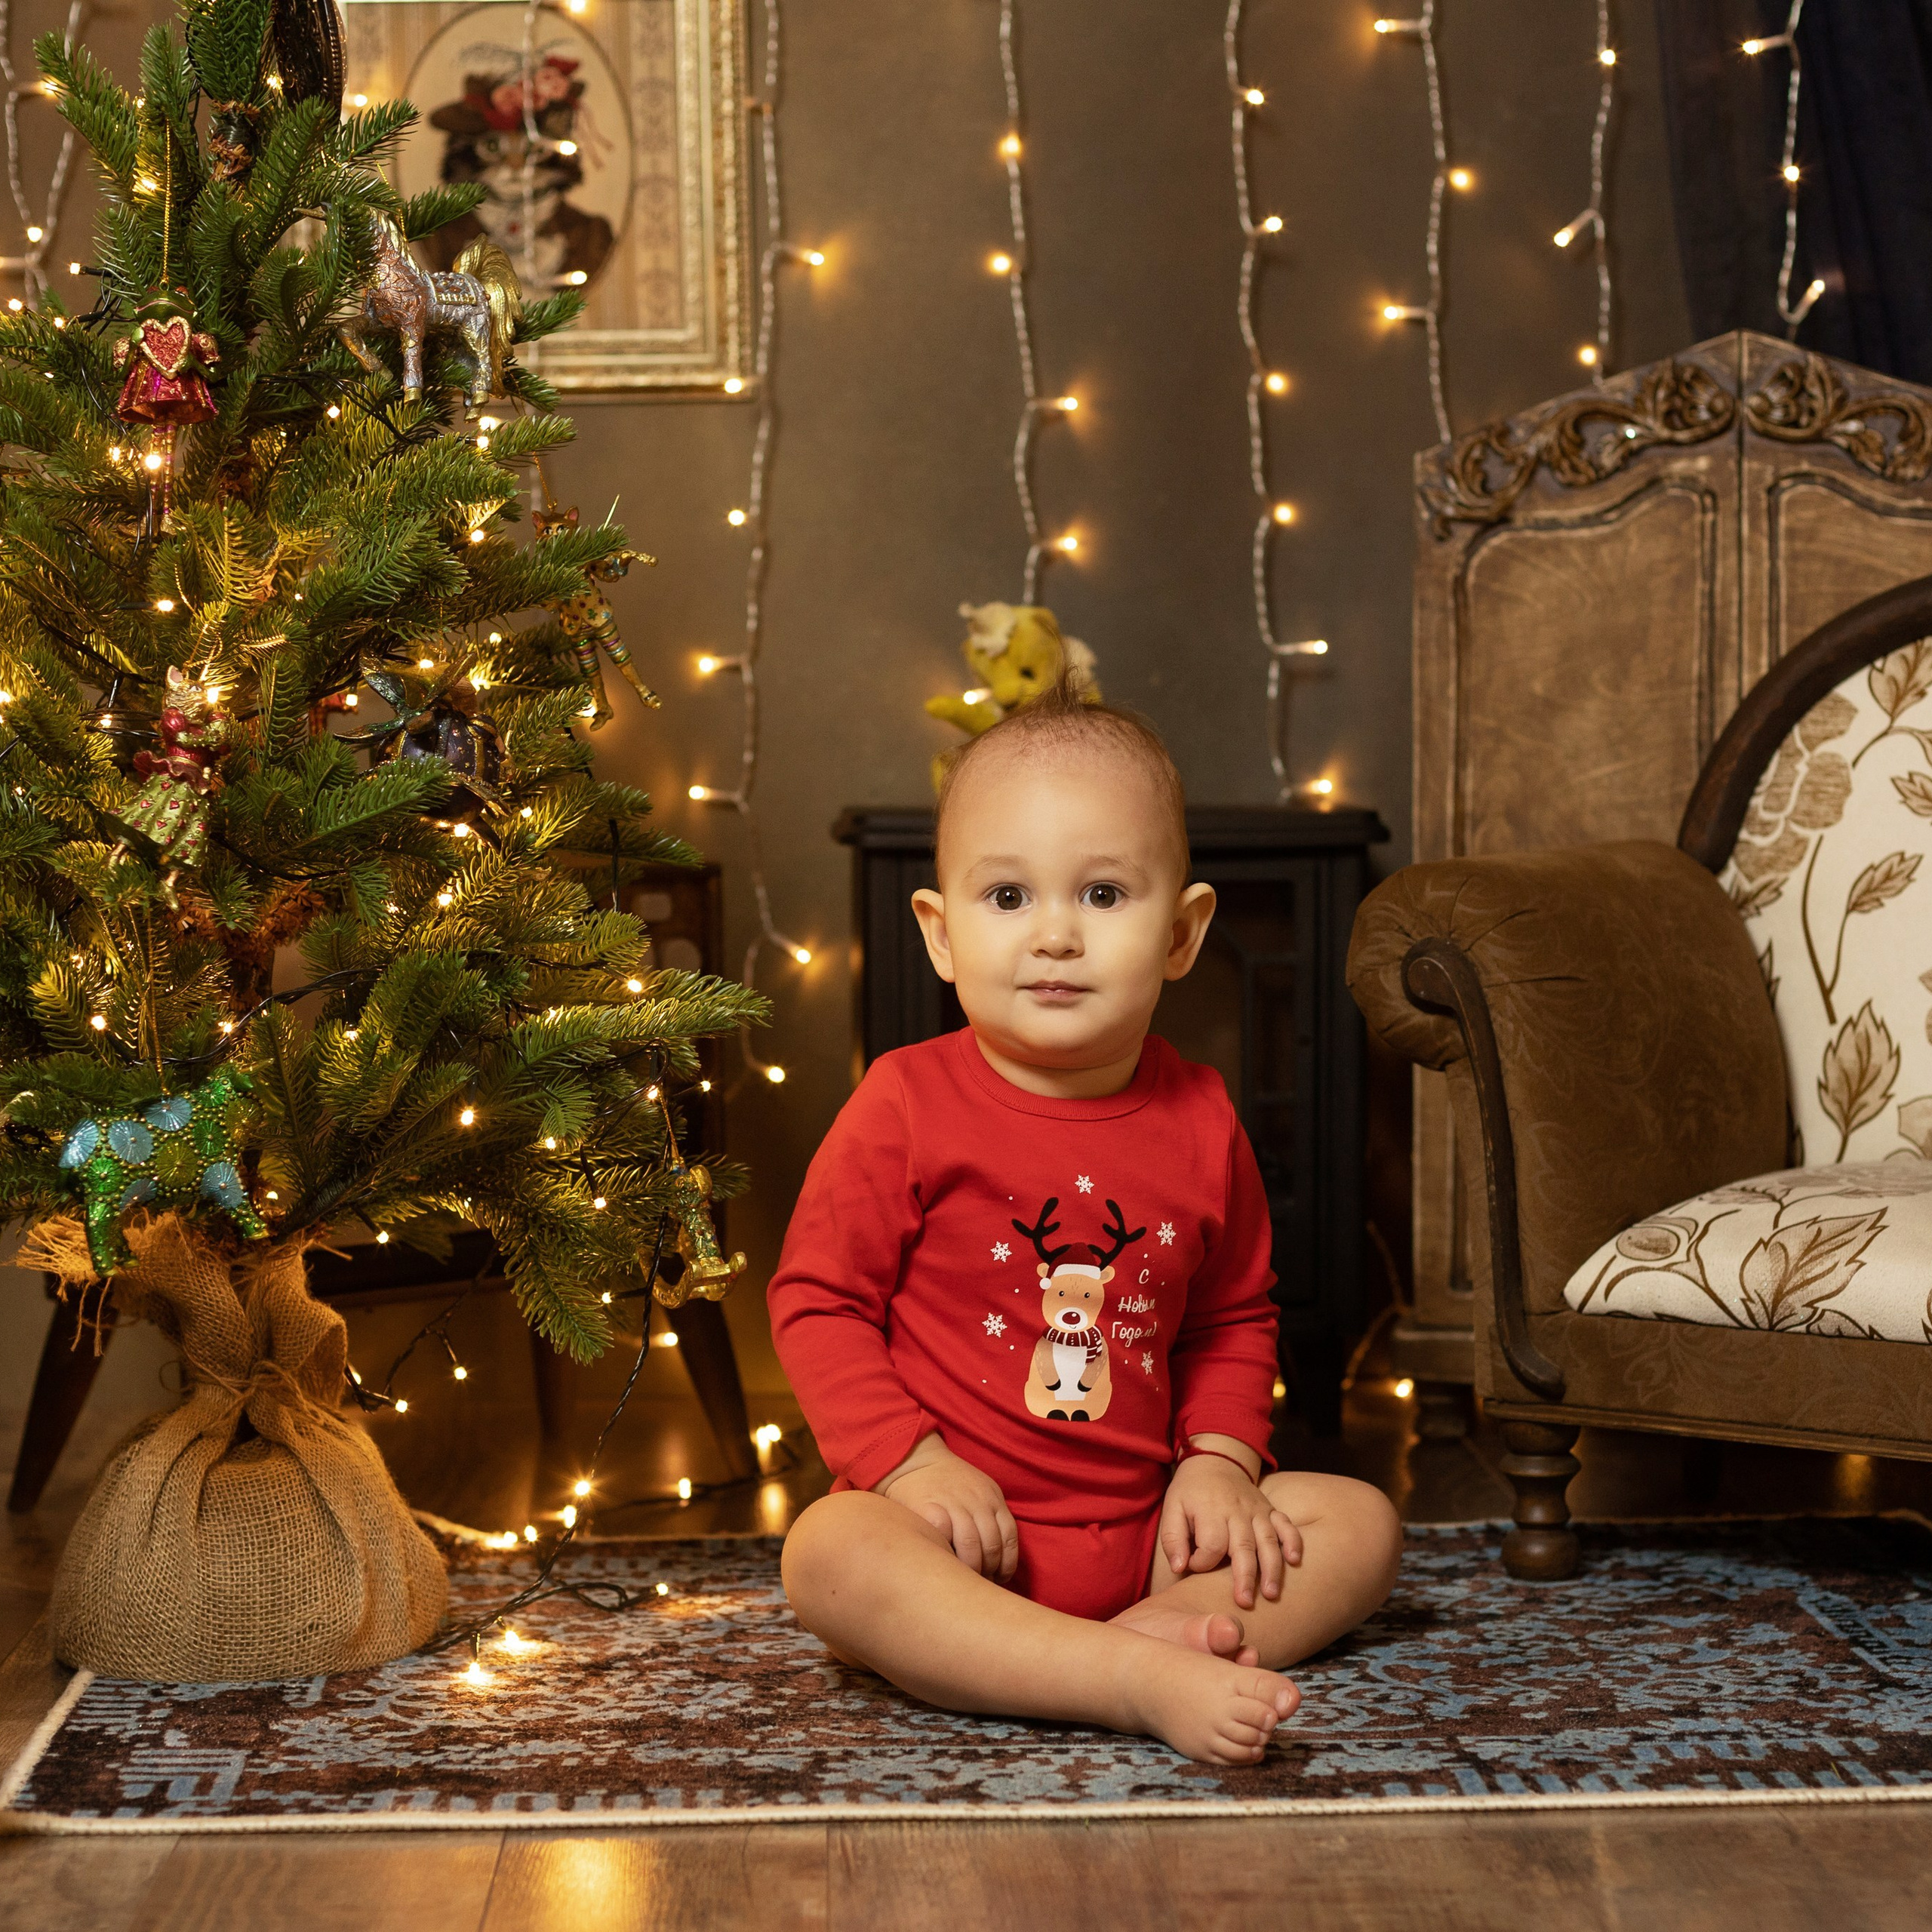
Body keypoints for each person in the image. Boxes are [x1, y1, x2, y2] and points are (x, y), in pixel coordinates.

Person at [769, 679, 1402, 1764]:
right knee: (827, 1552)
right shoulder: (903, 1103)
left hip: (1154, 1535)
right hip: (959, 1542)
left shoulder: (1202, 1117)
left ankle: (1131, 1643)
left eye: (1103, 896)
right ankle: (1121, 1674)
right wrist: (910, 1467)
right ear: (940, 932)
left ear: (1183, 933)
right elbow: (819, 1301)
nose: (1055, 935)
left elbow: (1232, 1317)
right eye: (1008, 899)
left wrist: (1218, 1465)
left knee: (1359, 1527)